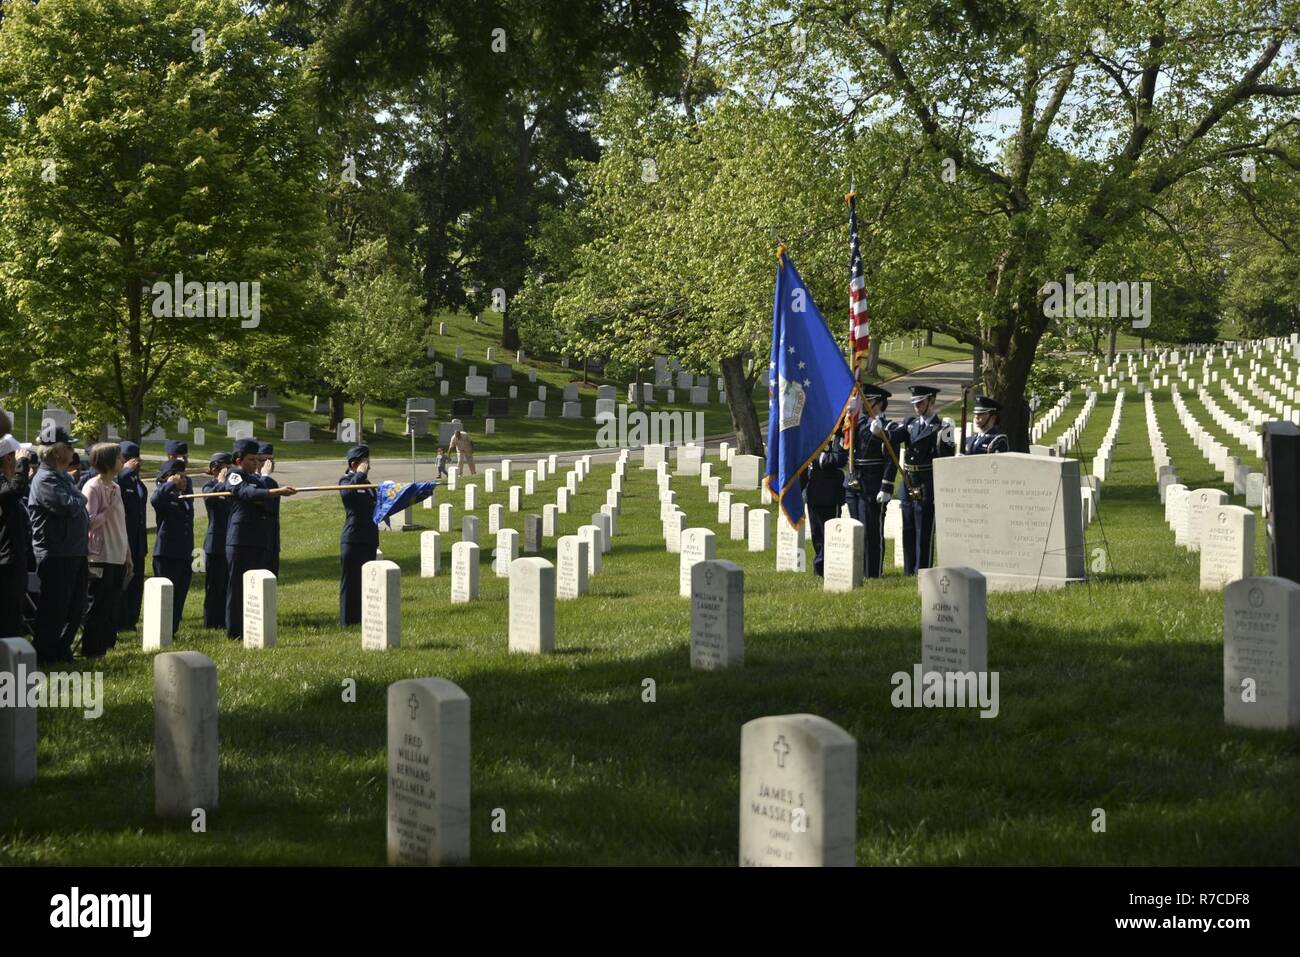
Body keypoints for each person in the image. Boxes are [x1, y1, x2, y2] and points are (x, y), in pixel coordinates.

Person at [27, 424, 89, 664]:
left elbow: (76, 504)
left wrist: (77, 498)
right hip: (56, 554)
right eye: (69, 447)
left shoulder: (61, 477)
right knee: (55, 609)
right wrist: (80, 497)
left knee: (74, 608)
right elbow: (69, 506)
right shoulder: (45, 480)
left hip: (73, 552)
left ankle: (62, 650)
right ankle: (45, 654)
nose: (73, 451)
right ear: (56, 452)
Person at [223, 438, 296, 639]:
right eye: (251, 459)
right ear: (238, 460)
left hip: (258, 539)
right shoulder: (234, 475)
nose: (255, 463)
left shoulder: (254, 479)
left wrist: (268, 493)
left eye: (257, 460)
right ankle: (235, 632)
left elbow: (262, 497)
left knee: (255, 586)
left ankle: (252, 626)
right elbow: (246, 493)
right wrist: (274, 492)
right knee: (237, 588)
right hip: (240, 540)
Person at [884, 385, 956, 575]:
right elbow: (894, 437)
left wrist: (948, 437)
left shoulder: (940, 427)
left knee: (923, 530)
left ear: (931, 402)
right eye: (914, 402)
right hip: (908, 481)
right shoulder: (910, 424)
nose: (916, 406)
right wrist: (881, 432)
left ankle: (922, 570)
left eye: (920, 402)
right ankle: (909, 570)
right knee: (907, 527)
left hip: (926, 481)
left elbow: (946, 457)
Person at [844, 384, 903, 579]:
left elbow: (890, 459)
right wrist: (848, 414)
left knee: (871, 529)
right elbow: (842, 440)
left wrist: (886, 485)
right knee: (856, 527)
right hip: (854, 480)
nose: (864, 404)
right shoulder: (857, 424)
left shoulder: (888, 427)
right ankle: (859, 569)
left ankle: (873, 571)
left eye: (867, 401)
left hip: (873, 482)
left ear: (877, 403)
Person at [82, 443, 131, 657]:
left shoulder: (116, 487)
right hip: (100, 555)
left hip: (117, 553)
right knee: (98, 604)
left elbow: (121, 523)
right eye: (119, 457)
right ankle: (92, 649)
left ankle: (106, 646)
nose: (123, 460)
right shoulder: (93, 487)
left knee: (112, 604)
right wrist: (108, 509)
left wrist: (127, 554)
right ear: (108, 460)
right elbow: (89, 522)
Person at [151, 458, 194, 636]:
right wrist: (169, 484)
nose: (185, 480)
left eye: (185, 477)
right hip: (167, 553)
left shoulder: (184, 497)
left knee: (180, 593)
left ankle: (172, 629)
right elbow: (155, 500)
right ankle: (161, 629)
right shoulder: (164, 496)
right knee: (166, 595)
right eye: (181, 477)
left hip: (184, 552)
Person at [338, 444, 378, 625]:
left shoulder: (368, 484)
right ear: (354, 464)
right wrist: (359, 474)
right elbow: (348, 495)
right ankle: (347, 621)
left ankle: (363, 618)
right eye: (365, 463)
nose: (368, 467)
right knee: (351, 582)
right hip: (353, 538)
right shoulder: (345, 481)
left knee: (367, 581)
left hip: (369, 537)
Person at [800, 436, 847, 577]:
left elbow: (841, 458)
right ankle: (820, 566)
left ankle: (822, 566)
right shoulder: (813, 435)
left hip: (830, 493)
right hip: (813, 491)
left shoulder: (838, 436)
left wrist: (820, 458)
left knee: (829, 534)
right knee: (816, 534)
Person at [0, 434, 31, 636]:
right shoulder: (5, 484)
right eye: (17, 456)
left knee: (14, 615)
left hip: (15, 559)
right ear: (9, 458)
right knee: (7, 615)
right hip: (5, 562)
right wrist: (23, 466)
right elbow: (13, 492)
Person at [115, 440, 148, 630]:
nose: (134, 463)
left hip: (138, 541)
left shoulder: (137, 483)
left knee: (136, 584)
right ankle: (120, 620)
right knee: (123, 583)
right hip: (123, 540)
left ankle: (131, 619)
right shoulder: (120, 478)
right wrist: (125, 470)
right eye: (128, 459)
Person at [201, 452, 232, 629]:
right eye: (223, 466)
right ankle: (211, 621)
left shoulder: (231, 485)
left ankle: (224, 619)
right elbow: (209, 499)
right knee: (214, 585)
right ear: (214, 468)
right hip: (215, 543)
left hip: (230, 541)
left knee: (227, 585)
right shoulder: (210, 485)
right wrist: (220, 482)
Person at [258, 442, 281, 576]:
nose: (269, 464)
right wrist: (264, 476)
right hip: (257, 542)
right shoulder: (251, 480)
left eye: (271, 460)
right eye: (265, 460)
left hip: (271, 540)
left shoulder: (272, 482)